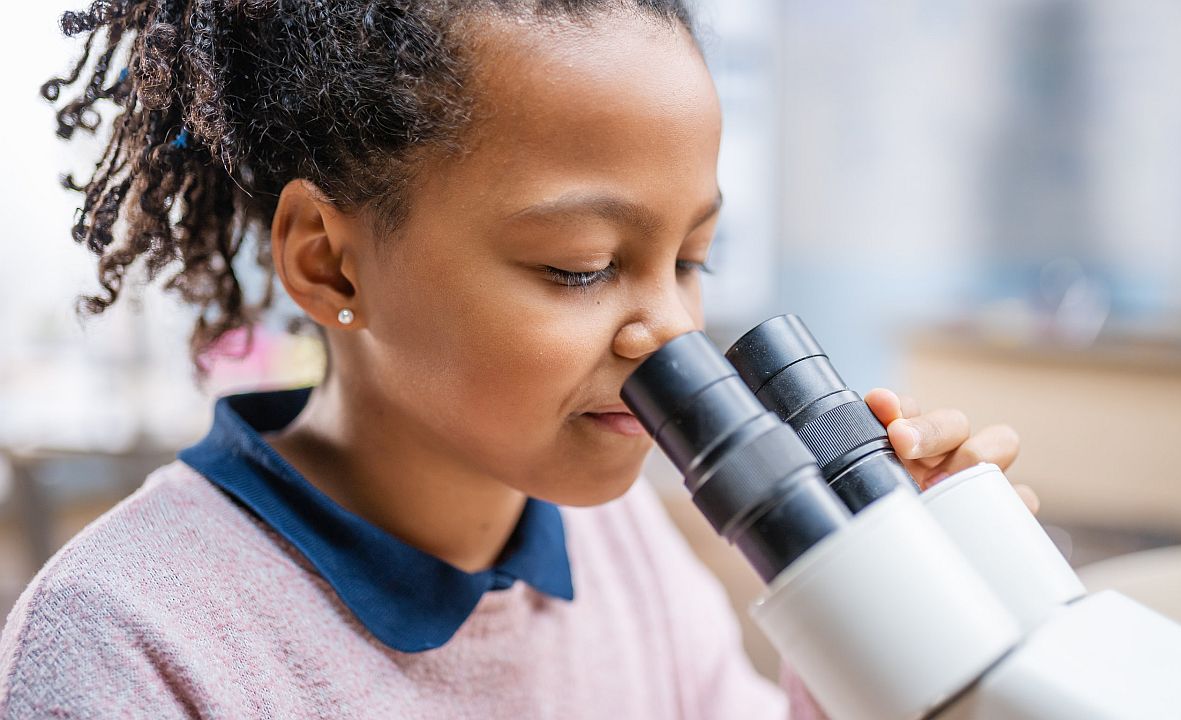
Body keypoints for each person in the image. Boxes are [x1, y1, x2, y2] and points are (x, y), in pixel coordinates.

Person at [0, 1, 1026, 717]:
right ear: (331, 263)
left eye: (691, 257)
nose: (669, 330)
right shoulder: (128, 640)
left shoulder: (618, 544)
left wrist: (893, 618)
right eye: (579, 268)